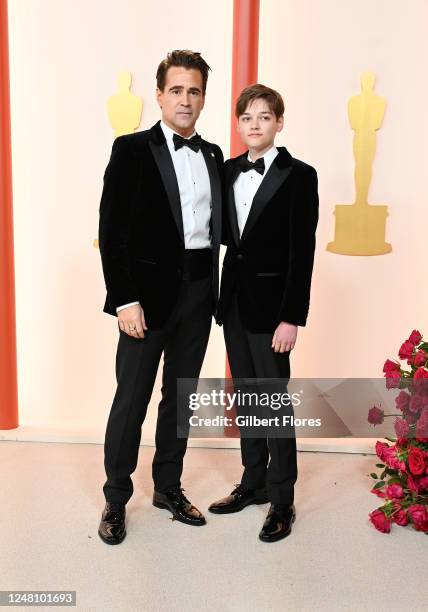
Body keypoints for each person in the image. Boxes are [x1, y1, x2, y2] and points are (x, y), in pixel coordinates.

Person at [97, 50, 223, 545]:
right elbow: (112, 231)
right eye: (176, 90)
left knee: (181, 399)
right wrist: (124, 299)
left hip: (198, 293)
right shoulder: (130, 150)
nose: (185, 99)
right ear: (159, 95)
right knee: (131, 399)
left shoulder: (213, 155)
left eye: (194, 91)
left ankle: (167, 486)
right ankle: (114, 496)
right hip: (145, 300)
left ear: (203, 98)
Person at [210, 84, 319, 542]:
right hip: (234, 303)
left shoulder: (299, 175)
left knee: (273, 404)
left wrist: (291, 317)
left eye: (263, 117)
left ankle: (282, 499)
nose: (254, 125)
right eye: (246, 118)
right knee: (248, 398)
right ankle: (252, 482)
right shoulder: (227, 169)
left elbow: (302, 251)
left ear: (279, 122)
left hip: (274, 311)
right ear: (238, 125)